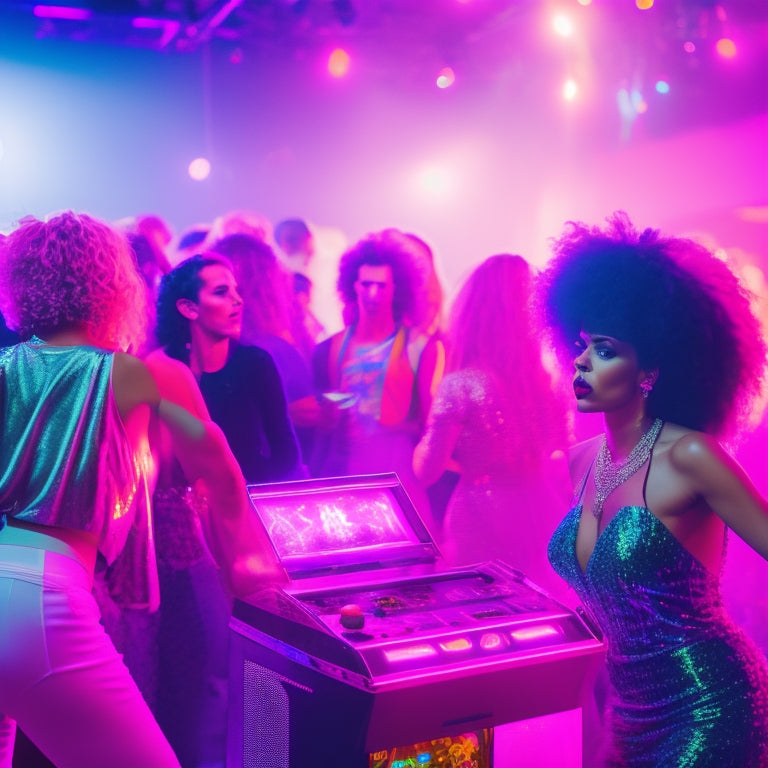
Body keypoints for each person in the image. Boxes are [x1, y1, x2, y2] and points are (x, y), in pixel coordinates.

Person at [0, 212, 246, 768]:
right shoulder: (125, 374)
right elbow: (129, 502)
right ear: (110, 285)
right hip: (48, 598)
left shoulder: (3, 366)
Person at [540, 212, 768, 767]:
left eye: (606, 349)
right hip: (629, 712)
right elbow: (606, 599)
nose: (582, 360)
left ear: (651, 370)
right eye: (581, 343)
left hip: (711, 705)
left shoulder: (692, 456)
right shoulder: (580, 460)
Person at [413, 255, 570, 588]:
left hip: (481, 513)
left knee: (483, 611)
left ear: (473, 313)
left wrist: (429, 430)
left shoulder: (461, 385)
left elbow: (427, 470)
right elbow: (561, 459)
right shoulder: (547, 383)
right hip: (541, 509)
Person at [312, 230, 444, 526]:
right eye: (366, 284)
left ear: (398, 289)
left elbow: (430, 424)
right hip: (347, 471)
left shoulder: (421, 347)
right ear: (352, 286)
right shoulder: (331, 348)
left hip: (400, 471)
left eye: (382, 286)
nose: (373, 294)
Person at [152, 252, 301, 484]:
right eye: (221, 292)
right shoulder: (163, 368)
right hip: (181, 511)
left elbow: (286, 454)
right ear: (188, 308)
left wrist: (243, 493)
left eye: (236, 290)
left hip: (247, 504)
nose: (238, 300)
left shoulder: (255, 363)